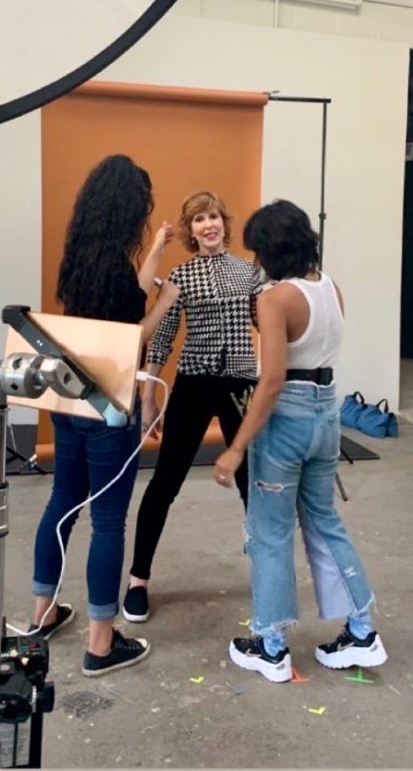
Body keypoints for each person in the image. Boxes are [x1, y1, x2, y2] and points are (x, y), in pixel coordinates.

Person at [213, 200, 387, 683]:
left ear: (270, 249)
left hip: (286, 416)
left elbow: (270, 381)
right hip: (326, 413)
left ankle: (270, 646)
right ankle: (361, 631)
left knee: (269, 534)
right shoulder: (331, 288)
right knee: (325, 522)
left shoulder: (276, 299)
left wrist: (235, 447)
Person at [27, 154, 176, 677]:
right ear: (131, 208)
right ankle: (100, 642)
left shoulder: (84, 259)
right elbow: (133, 333)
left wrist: (156, 250)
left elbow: (124, 300)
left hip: (71, 403)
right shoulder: (114, 268)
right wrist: (169, 302)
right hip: (109, 409)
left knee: (62, 503)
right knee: (108, 519)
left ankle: (41, 615)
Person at [123, 190, 260, 623]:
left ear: (224, 222)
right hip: (194, 383)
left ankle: (267, 570)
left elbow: (267, 323)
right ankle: (138, 580)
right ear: (191, 229)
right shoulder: (181, 274)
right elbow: (161, 337)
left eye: (214, 216)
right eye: (199, 219)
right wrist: (147, 396)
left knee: (252, 482)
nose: (208, 225)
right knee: (165, 482)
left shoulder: (250, 272)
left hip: (240, 384)